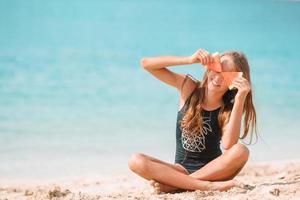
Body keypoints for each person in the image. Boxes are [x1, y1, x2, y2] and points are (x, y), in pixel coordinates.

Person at [128, 49, 257, 193]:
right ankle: (202, 186)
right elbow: (146, 64)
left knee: (241, 151)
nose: (218, 78)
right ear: (210, 67)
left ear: (235, 81)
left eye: (227, 75)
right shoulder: (189, 87)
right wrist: (189, 60)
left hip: (214, 172)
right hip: (180, 170)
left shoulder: (227, 110)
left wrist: (240, 98)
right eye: (218, 69)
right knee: (136, 160)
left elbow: (228, 145)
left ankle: (179, 185)